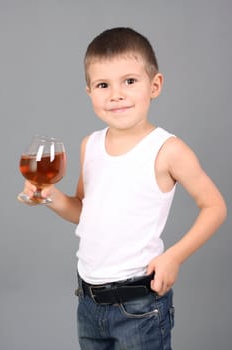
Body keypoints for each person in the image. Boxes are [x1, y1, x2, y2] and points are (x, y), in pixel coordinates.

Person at [20, 27, 227, 350]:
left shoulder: (168, 150)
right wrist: (49, 196)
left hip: (139, 305)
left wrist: (174, 256)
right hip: (88, 301)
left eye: (129, 81)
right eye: (103, 85)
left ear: (154, 85)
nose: (116, 94)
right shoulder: (91, 145)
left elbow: (215, 207)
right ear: (89, 92)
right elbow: (84, 211)